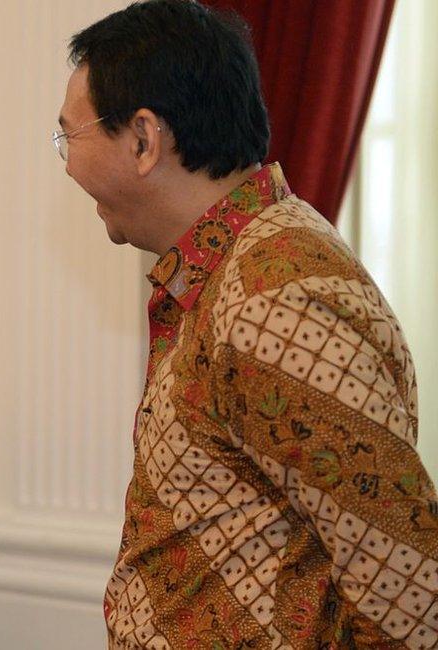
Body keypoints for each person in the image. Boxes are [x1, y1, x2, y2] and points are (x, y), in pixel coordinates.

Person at [57, 1, 437, 647]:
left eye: (71, 134)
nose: (66, 163)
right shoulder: (237, 270)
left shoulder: (275, 293)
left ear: (144, 139)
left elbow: (406, 589)